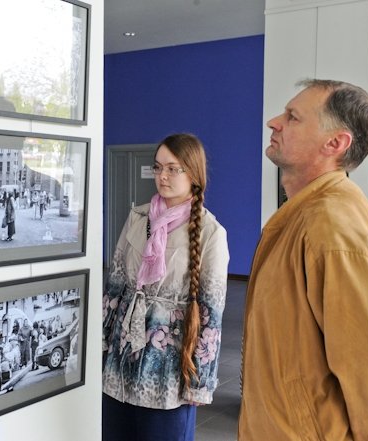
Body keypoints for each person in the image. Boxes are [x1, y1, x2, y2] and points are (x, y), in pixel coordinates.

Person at [238, 79, 368, 440]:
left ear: (335, 143)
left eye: (293, 117)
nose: (274, 122)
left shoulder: (330, 226)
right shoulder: (306, 214)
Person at [102, 133, 229, 441]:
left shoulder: (210, 232)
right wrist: (101, 346)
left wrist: (200, 381)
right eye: (158, 167)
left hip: (168, 368)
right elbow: (115, 288)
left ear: (193, 174)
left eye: (173, 169)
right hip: (121, 361)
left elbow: (211, 314)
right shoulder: (138, 217)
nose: (162, 176)